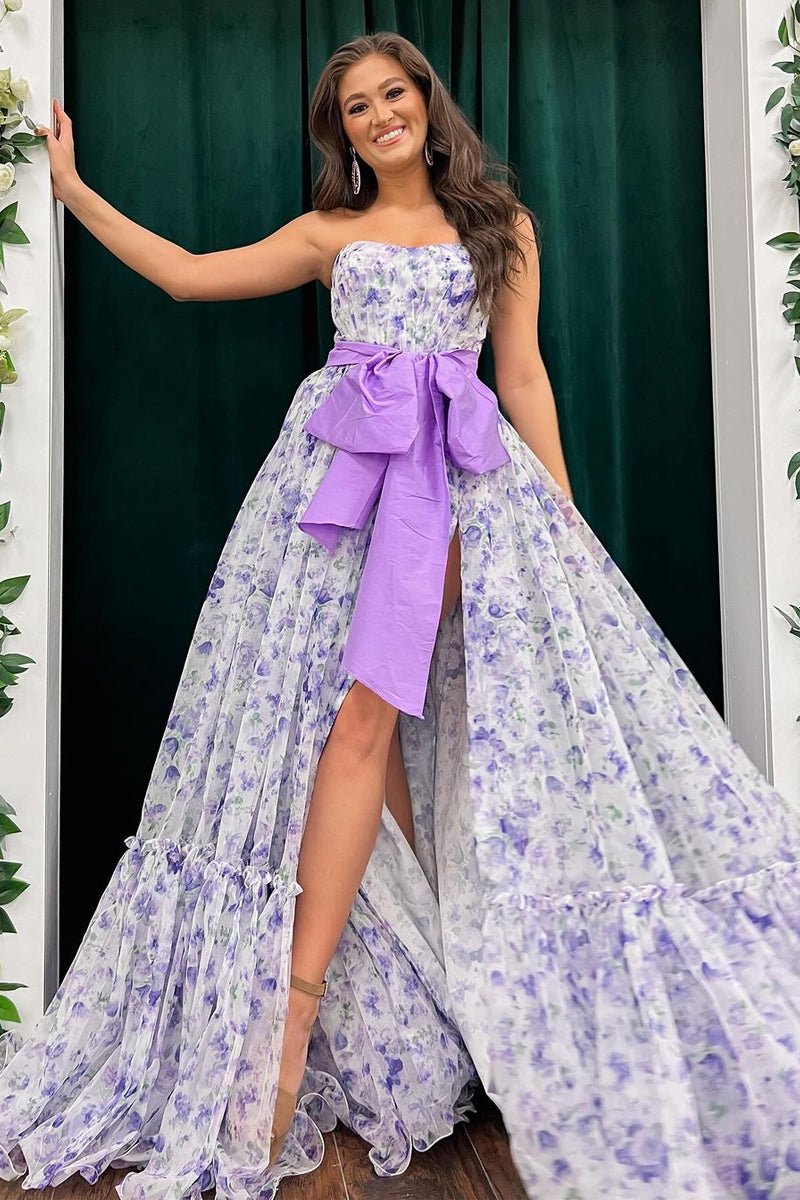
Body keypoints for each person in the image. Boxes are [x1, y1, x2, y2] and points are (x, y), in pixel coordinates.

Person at [1, 25, 799, 1200]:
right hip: (336, 494)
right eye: (356, 108)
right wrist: (71, 191)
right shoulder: (329, 235)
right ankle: (338, 1005)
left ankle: (308, 1020)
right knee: (360, 735)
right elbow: (185, 273)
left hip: (457, 491)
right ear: (341, 134)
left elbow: (519, 375)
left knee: (390, 726)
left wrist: (561, 523)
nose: (379, 117)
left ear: (426, 103)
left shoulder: (497, 226)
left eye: (392, 95)